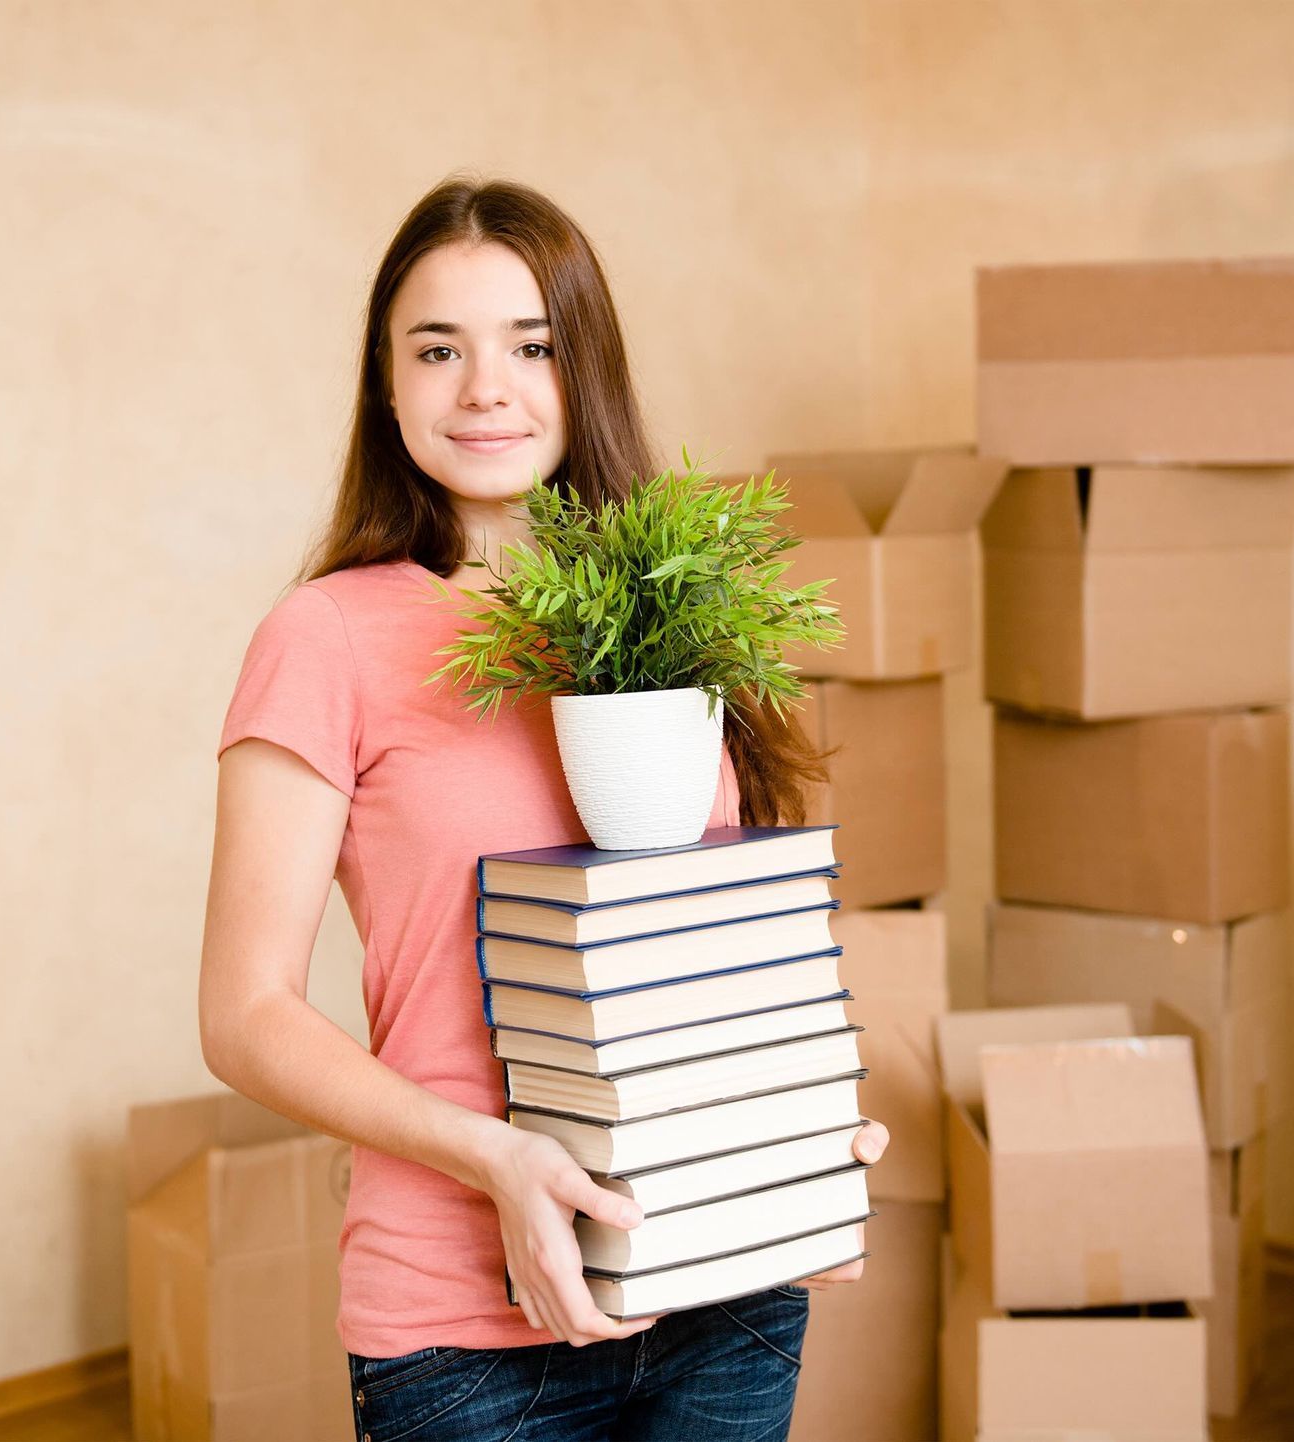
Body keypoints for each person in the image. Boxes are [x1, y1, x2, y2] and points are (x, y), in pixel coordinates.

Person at [198, 173, 887, 1442]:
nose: (485, 388)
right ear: (385, 380)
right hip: (463, 1331)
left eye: (533, 344)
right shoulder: (326, 637)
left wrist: (798, 1119)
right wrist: (501, 1159)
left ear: (587, 368)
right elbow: (243, 1016)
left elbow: (703, 945)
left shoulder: (682, 617)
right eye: (438, 348)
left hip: (719, 1286)